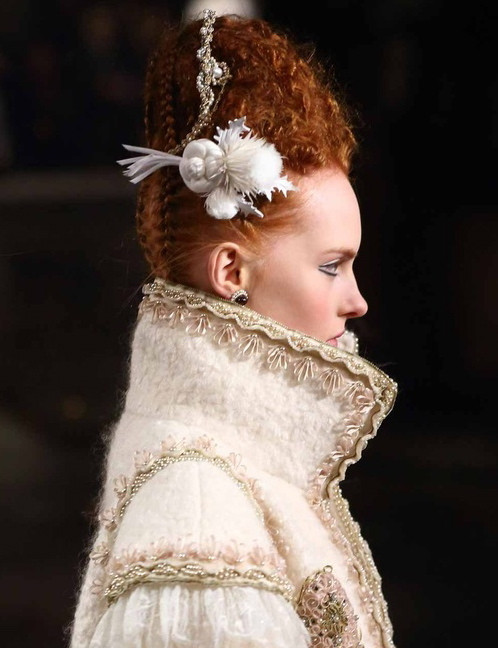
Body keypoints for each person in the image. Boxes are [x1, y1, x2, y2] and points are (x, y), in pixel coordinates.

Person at [68, 8, 398, 648]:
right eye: (331, 266)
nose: (357, 301)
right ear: (230, 270)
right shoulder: (199, 515)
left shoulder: (241, 467)